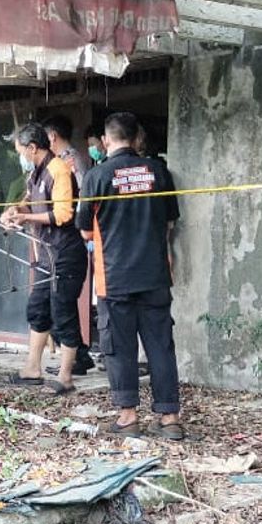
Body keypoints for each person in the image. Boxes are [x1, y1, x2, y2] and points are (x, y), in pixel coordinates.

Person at [76, 112, 183, 440]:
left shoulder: (96, 176)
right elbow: (169, 223)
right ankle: (170, 418)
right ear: (137, 138)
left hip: (115, 278)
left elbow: (84, 233)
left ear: (106, 141)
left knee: (119, 347)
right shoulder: (159, 171)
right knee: (161, 346)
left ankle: (128, 417)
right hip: (155, 275)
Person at [1, 122, 89, 395]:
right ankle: (32, 368)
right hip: (45, 255)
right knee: (37, 308)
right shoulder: (35, 175)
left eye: (21, 151)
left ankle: (65, 376)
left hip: (65, 254)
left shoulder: (59, 170)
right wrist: (15, 211)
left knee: (63, 312)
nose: (21, 156)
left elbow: (63, 215)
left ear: (32, 147)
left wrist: (26, 217)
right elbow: (28, 202)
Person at [43, 114, 97, 376]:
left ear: (51, 136)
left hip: (71, 237)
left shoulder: (70, 163)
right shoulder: (56, 163)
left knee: (61, 303)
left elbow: (83, 202)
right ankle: (80, 354)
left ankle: (76, 359)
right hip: (60, 240)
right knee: (60, 303)